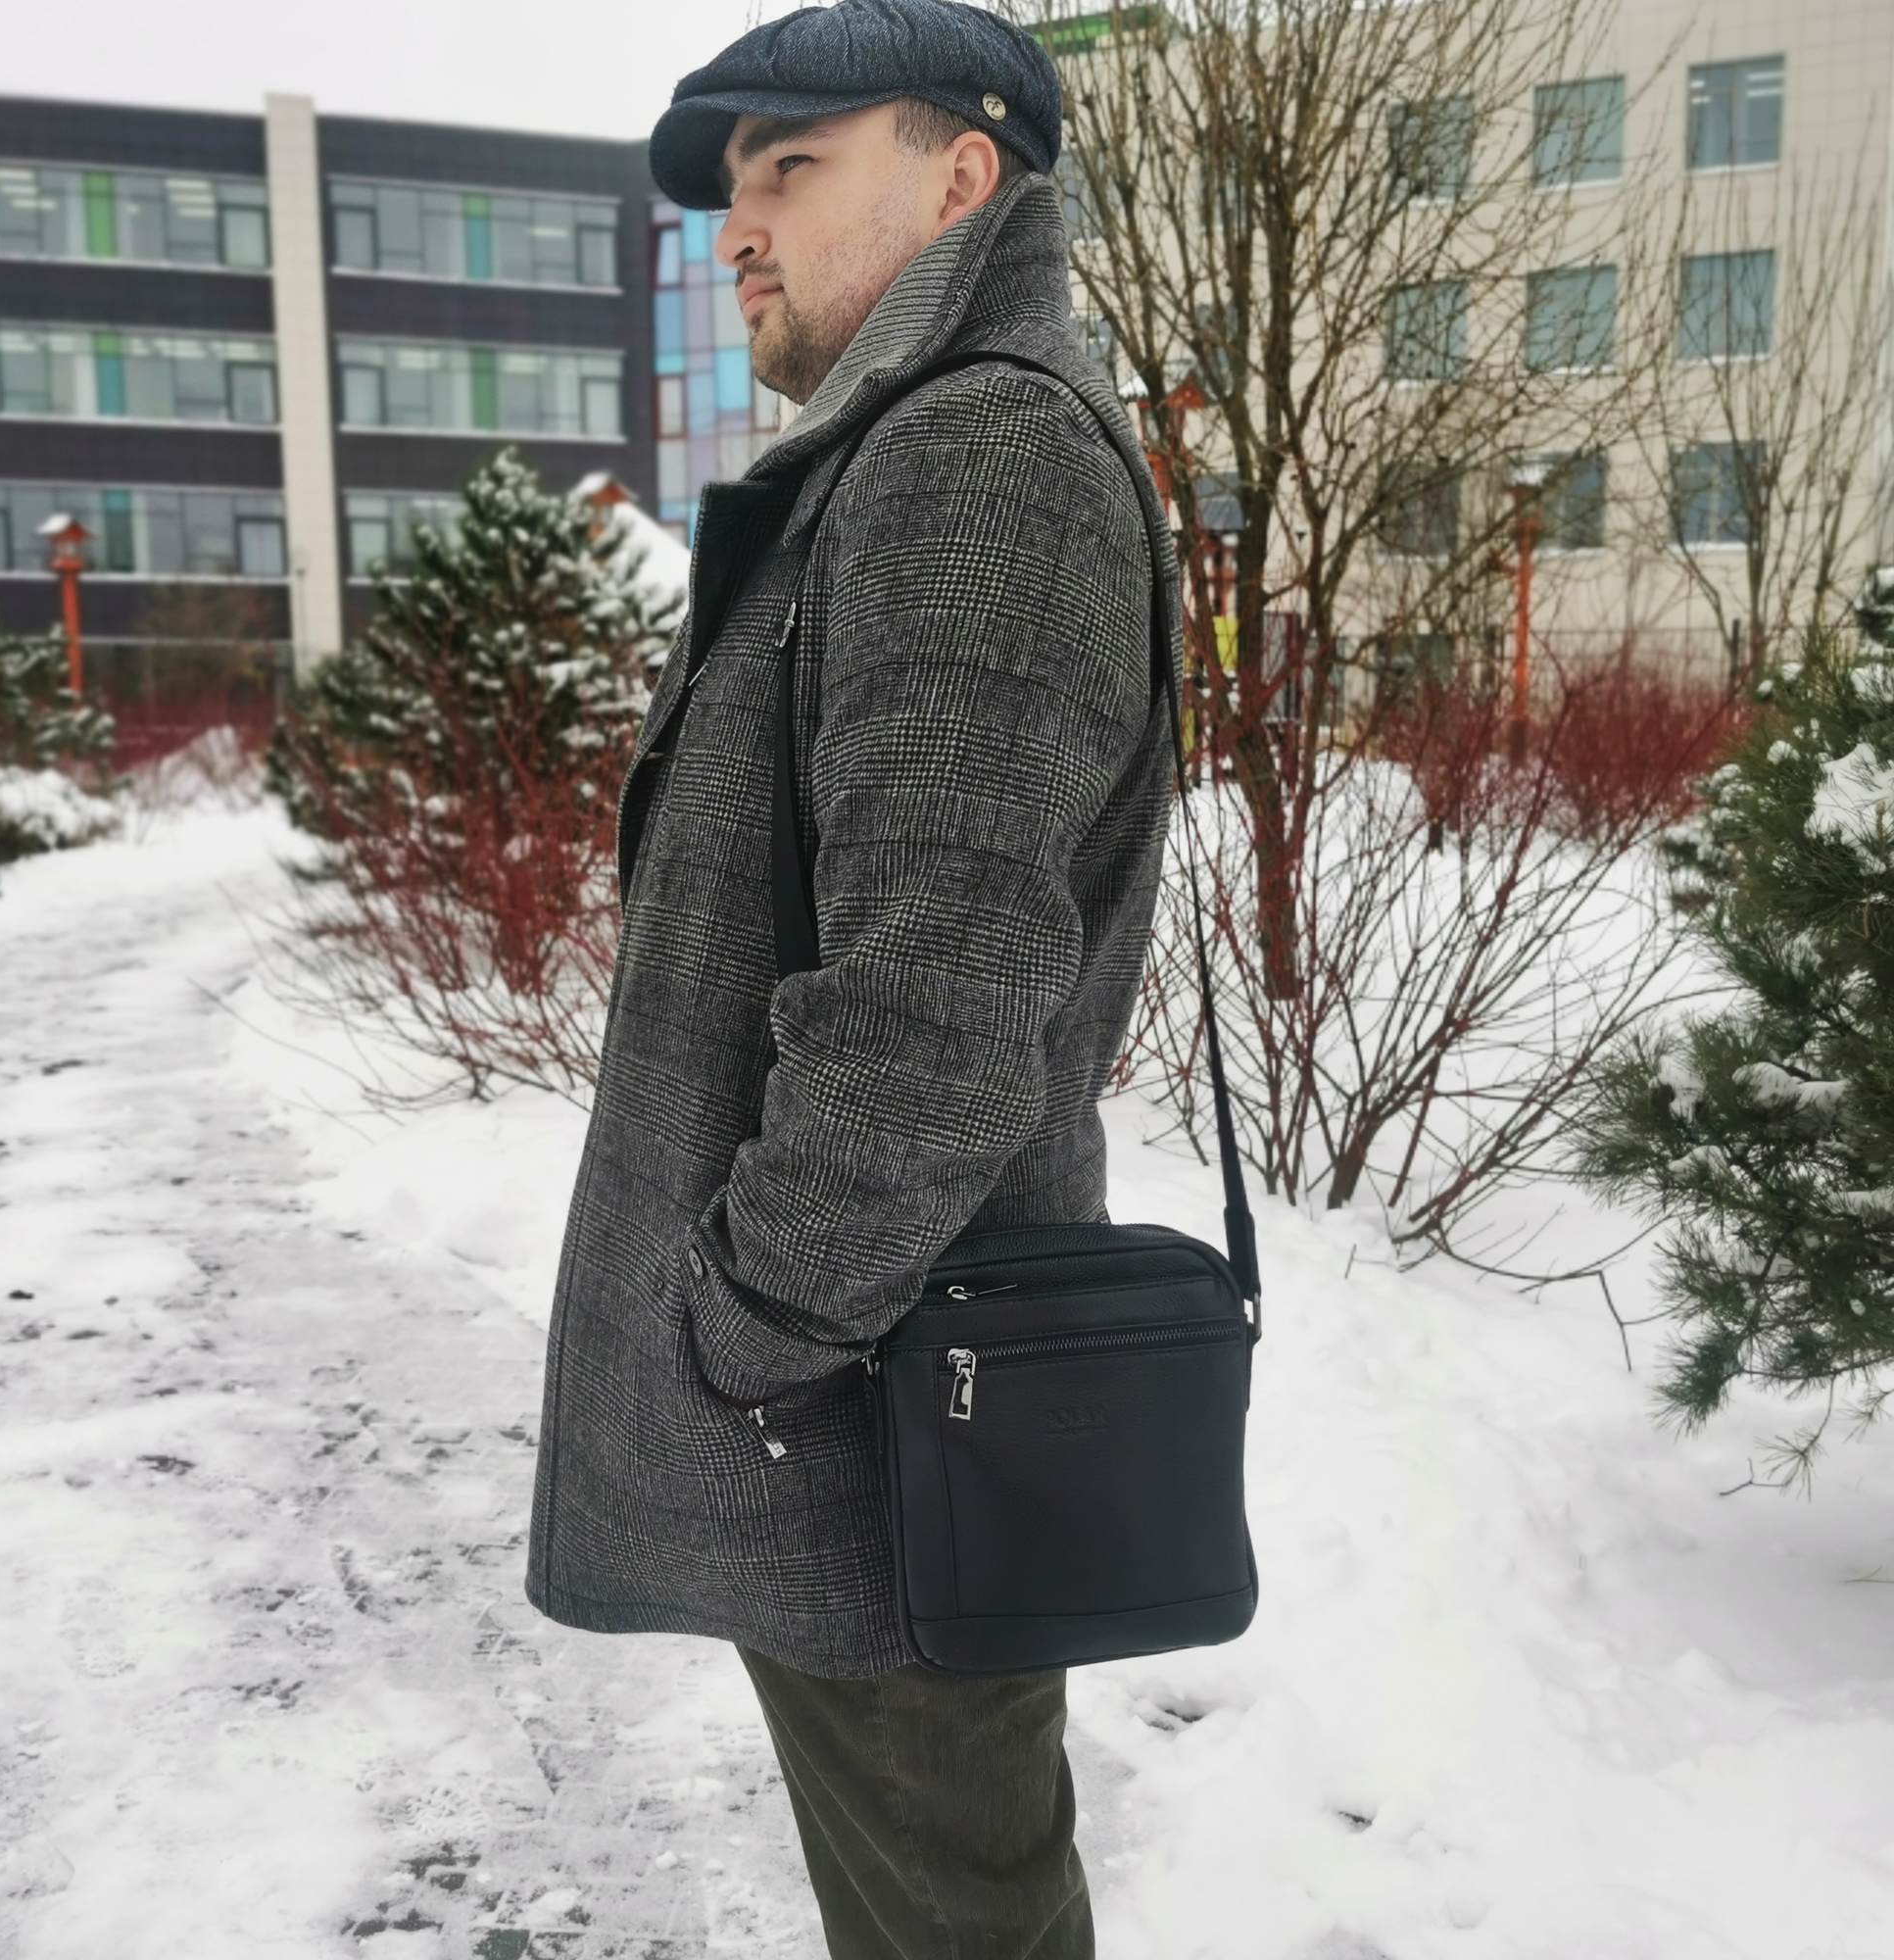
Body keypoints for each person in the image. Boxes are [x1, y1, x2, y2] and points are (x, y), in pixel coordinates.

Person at [522, 2, 1184, 1950]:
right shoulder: (904, 447)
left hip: (886, 1399)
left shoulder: (980, 456)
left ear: (964, 176)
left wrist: (752, 1323)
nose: (737, 227)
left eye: (791, 168)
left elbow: (936, 1000)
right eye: (729, 189)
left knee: (953, 1919)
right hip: (873, 1388)